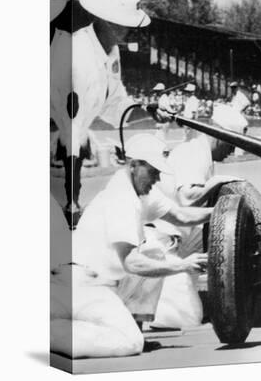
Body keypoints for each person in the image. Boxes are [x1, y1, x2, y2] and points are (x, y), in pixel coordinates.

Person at [50, 134, 213, 358]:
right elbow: (132, 263)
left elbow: (182, 216)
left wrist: (226, 210)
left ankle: (127, 325)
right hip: (83, 285)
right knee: (129, 343)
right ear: (134, 165)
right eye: (153, 171)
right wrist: (183, 265)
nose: (157, 179)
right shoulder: (121, 199)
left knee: (153, 252)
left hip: (91, 281)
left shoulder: (139, 189)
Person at [51, 0, 150, 228]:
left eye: (126, 22)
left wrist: (147, 112)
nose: (124, 28)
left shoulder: (112, 51)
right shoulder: (76, 53)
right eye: (117, 21)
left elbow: (115, 102)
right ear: (100, 17)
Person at [145, 105, 247, 329]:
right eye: (231, 144)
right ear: (219, 137)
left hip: (176, 237)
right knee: (182, 317)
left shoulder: (201, 154)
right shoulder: (194, 153)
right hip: (161, 243)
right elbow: (188, 199)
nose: (233, 152)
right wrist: (218, 182)